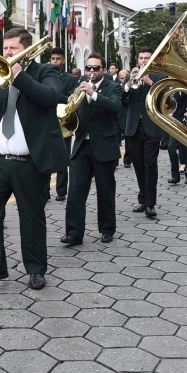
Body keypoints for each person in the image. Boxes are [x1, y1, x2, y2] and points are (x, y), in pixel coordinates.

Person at [0, 28, 68, 290]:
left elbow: (50, 98)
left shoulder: (46, 71)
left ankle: (35, 269)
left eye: (12, 48)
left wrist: (18, 75)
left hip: (30, 161)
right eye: (5, 48)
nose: (7, 53)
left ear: (26, 48)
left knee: (31, 216)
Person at [60, 54, 122, 246]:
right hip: (81, 145)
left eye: (96, 68)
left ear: (104, 69)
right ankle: (74, 233)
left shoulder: (114, 87)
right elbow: (70, 109)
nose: (92, 72)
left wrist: (93, 94)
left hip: (104, 145)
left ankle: (106, 229)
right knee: (76, 191)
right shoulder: (78, 86)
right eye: (89, 68)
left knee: (105, 190)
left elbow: (116, 107)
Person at [124, 47, 165, 218]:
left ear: (152, 59)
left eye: (146, 58)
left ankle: (150, 203)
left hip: (151, 127)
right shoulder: (131, 76)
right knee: (138, 164)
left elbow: (165, 98)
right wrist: (127, 84)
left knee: (150, 164)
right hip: (134, 127)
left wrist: (150, 83)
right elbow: (121, 99)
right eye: (141, 58)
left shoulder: (159, 77)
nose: (142, 61)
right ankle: (142, 198)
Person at [51, 47, 78, 201]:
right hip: (46, 119)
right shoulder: (43, 74)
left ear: (64, 60)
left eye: (58, 59)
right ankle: (44, 191)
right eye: (53, 58)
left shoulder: (71, 79)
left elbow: (71, 99)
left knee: (63, 156)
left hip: (64, 121)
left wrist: (53, 95)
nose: (55, 61)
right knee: (45, 155)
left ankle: (61, 191)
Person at [116, 70, 131, 168]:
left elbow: (129, 100)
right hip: (117, 117)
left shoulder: (132, 86)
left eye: (126, 78)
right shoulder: (116, 87)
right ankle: (115, 161)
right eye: (122, 78)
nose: (124, 80)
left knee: (128, 141)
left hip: (128, 116)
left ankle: (127, 160)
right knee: (115, 140)